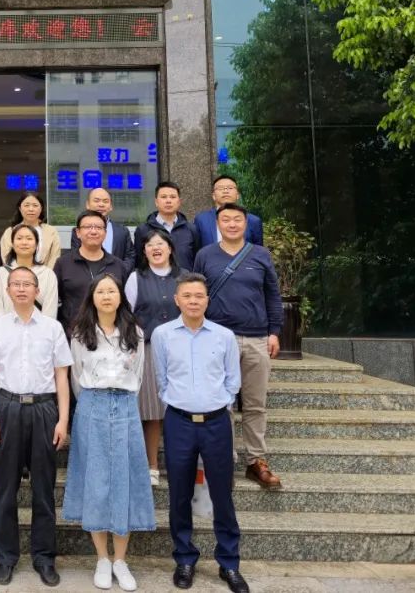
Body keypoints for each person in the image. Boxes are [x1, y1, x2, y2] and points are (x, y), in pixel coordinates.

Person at [152, 274, 248, 593]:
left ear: (207, 300)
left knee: (222, 492)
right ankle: (184, 558)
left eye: (199, 296)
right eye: (187, 295)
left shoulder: (224, 336)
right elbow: (161, 379)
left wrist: (219, 402)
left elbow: (233, 381)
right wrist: (178, 401)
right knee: (179, 492)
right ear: (177, 300)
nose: (193, 301)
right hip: (179, 422)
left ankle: (229, 562)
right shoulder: (163, 335)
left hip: (216, 422)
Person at [0, 266, 71, 588]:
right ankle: (5, 557)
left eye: (26, 284)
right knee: (5, 488)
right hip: (7, 408)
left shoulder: (53, 328)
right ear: (7, 291)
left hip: (44, 409)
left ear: (36, 290)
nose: (20, 289)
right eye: (15, 284)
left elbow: (62, 376)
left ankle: (44, 558)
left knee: (44, 489)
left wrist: (62, 420)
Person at [63, 274, 155, 592]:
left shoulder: (135, 332)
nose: (106, 296)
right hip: (92, 406)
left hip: (126, 407)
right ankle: (102, 558)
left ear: (120, 297)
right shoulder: (80, 334)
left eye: (111, 291)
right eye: (100, 291)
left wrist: (120, 399)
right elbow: (76, 377)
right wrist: (95, 401)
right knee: (96, 481)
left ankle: (121, 560)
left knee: (124, 482)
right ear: (92, 297)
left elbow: (138, 376)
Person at [193, 203, 283, 491]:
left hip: (256, 338)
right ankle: (225, 460)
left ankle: (256, 460)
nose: (232, 224)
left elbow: (272, 295)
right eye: (226, 219)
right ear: (218, 224)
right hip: (218, 339)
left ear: (246, 224)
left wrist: (274, 332)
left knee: (255, 403)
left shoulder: (260, 254)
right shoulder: (205, 255)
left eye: (237, 220)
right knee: (222, 403)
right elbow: (197, 296)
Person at [125, 228, 186, 485]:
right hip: (148, 348)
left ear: (170, 248)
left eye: (161, 243)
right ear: (144, 251)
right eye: (150, 245)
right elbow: (127, 315)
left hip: (182, 349)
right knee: (151, 409)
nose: (156, 248)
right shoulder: (135, 278)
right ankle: (151, 465)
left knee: (181, 407)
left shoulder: (185, 277)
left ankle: (181, 463)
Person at [55, 210, 129, 334]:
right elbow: (56, 300)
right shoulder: (63, 264)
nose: (93, 231)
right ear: (78, 232)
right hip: (73, 334)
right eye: (87, 227)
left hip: (111, 335)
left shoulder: (118, 265)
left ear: (105, 233)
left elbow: (124, 302)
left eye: (98, 227)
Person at [0, 223, 58, 319]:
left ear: (37, 244)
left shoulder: (48, 274)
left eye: (29, 239)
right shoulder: (1, 273)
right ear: (12, 244)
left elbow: (50, 312)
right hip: (5, 328)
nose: (24, 242)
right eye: (19, 238)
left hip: (40, 328)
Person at [133, 181, 199, 271]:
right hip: (153, 279)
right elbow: (139, 261)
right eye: (163, 197)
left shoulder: (191, 229)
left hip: (184, 279)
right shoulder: (143, 230)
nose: (168, 201)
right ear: (156, 202)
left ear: (179, 201)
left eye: (173, 197)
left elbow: (196, 260)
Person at [69, 188, 135, 270]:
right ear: (87, 204)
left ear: (111, 206)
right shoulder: (79, 231)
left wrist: (120, 272)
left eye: (105, 201)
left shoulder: (122, 231)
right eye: (96, 201)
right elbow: (76, 257)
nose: (101, 204)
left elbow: (130, 256)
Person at [192, 176, 264, 250]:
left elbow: (258, 251)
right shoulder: (201, 220)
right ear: (213, 196)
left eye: (230, 188)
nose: (225, 191)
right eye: (220, 188)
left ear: (237, 195)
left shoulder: (253, 220)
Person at [0, 190, 61, 268]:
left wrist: (45, 273)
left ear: (41, 208)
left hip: (44, 274)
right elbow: (6, 257)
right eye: (26, 205)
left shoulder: (51, 231)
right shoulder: (10, 232)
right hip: (16, 274)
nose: (31, 209)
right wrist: (20, 273)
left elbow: (55, 257)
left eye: (35, 205)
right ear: (20, 208)